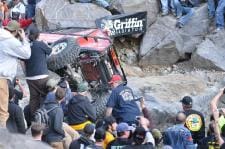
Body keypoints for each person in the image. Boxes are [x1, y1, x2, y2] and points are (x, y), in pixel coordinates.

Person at [0, 20, 31, 128]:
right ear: (16, 31)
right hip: (2, 79)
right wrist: (24, 39)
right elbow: (26, 54)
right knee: (3, 113)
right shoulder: (9, 40)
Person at [24, 26, 52, 117]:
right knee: (46, 96)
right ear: (38, 35)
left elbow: (21, 60)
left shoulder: (26, 46)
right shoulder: (40, 44)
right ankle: (46, 117)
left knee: (34, 99)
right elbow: (50, 51)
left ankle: (35, 120)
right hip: (42, 76)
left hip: (30, 77)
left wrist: (26, 73)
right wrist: (45, 43)